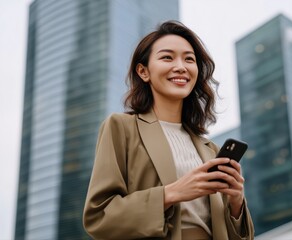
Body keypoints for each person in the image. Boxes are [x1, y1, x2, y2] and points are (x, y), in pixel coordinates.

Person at [83, 20, 254, 240]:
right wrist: (170, 194)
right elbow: (99, 217)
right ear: (144, 72)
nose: (181, 66)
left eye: (189, 59)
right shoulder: (121, 128)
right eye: (167, 57)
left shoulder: (211, 150)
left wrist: (236, 203)